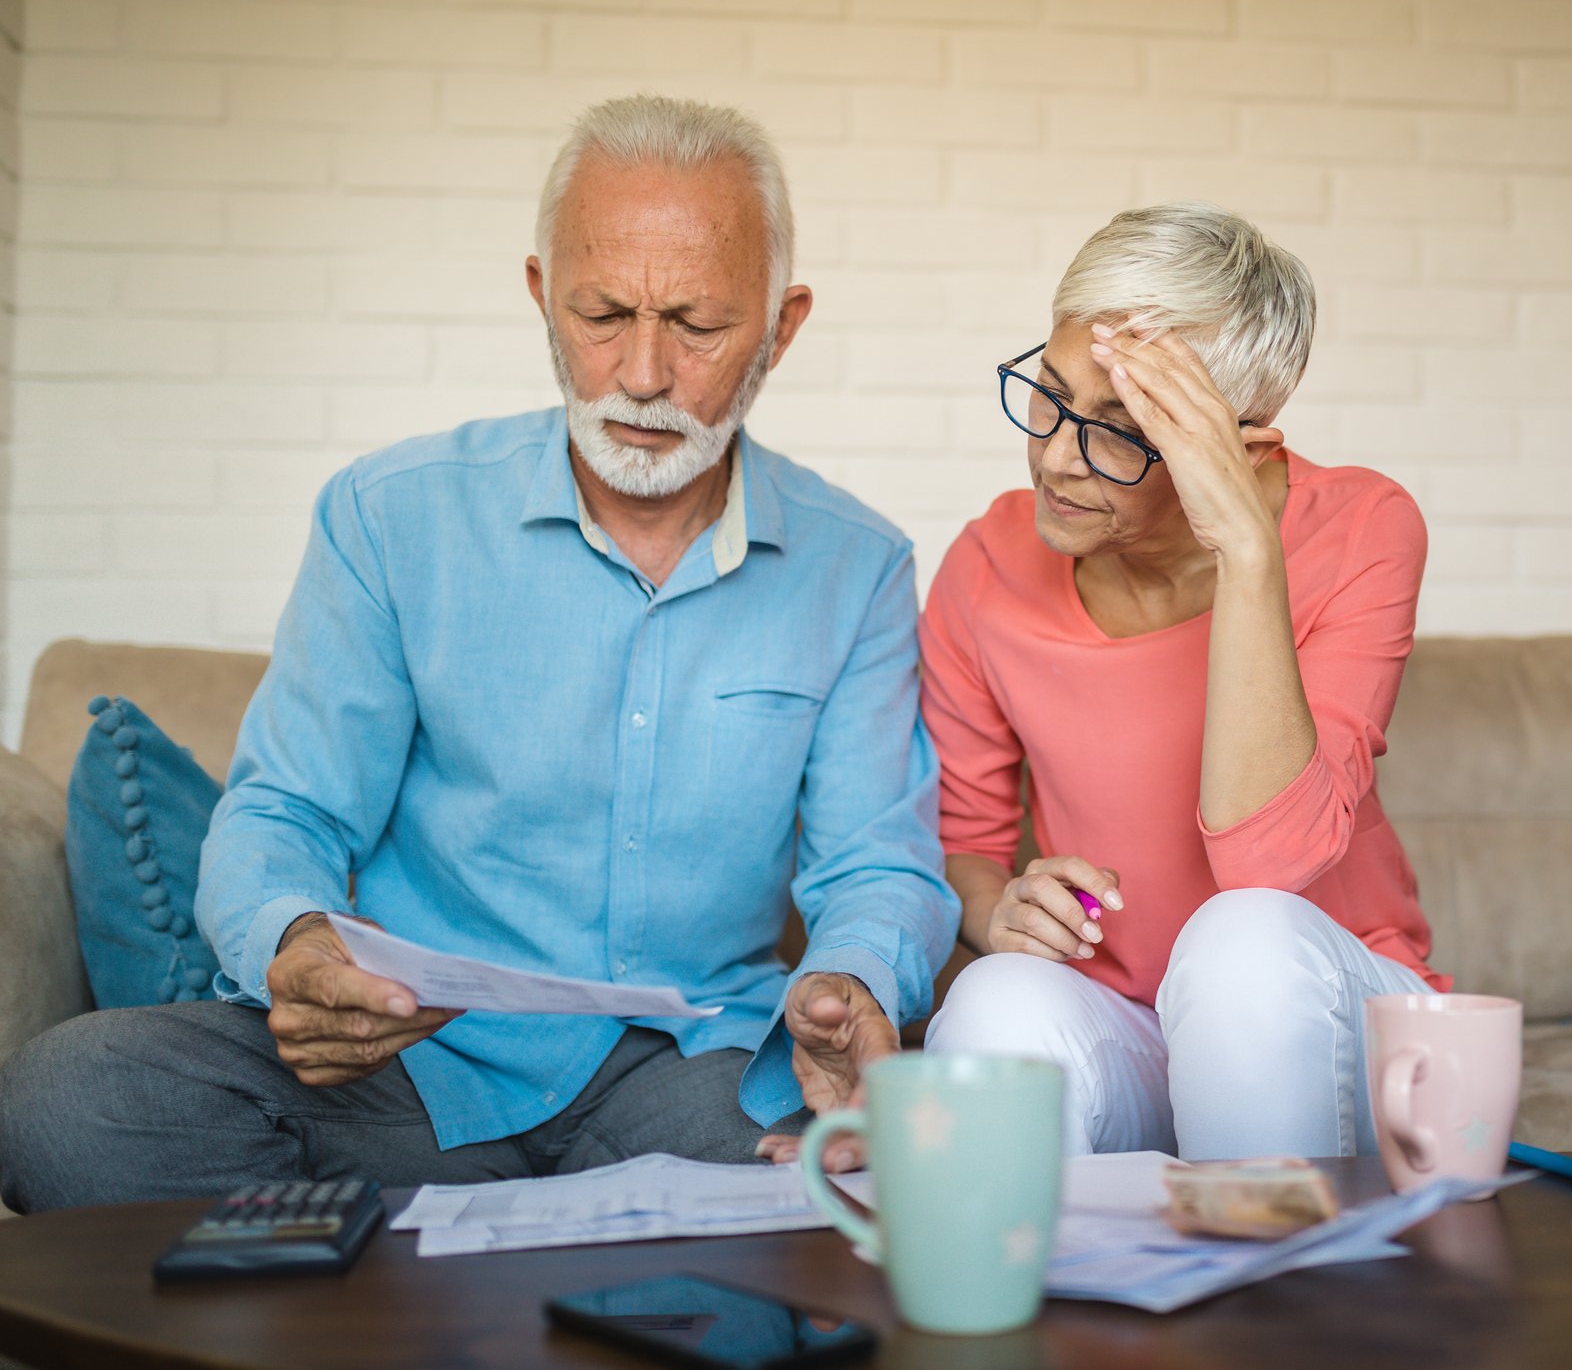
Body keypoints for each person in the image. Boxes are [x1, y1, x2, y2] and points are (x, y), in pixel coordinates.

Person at [0, 95, 957, 1212]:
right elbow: (289, 813)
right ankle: (552, 1247)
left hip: (689, 1082)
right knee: (68, 1100)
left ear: (782, 328)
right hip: (409, 1068)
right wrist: (295, 938)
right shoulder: (388, 517)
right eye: (603, 313)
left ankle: (406, 1262)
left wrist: (850, 978)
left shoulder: (860, 566)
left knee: (834, 1173)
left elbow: (876, 866)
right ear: (543, 294)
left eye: (697, 325)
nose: (642, 374)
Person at [916, 203, 1447, 1160]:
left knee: (1241, 943)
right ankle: (1055, 1301)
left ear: (1236, 447)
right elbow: (966, 846)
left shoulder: (1363, 527)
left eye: (1123, 430)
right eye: (1049, 393)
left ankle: (1266, 1297)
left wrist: (1245, 546)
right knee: (995, 998)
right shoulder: (986, 565)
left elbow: (1267, 868)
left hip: (1337, 1021)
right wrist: (998, 908)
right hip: (1132, 1023)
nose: (1053, 456)